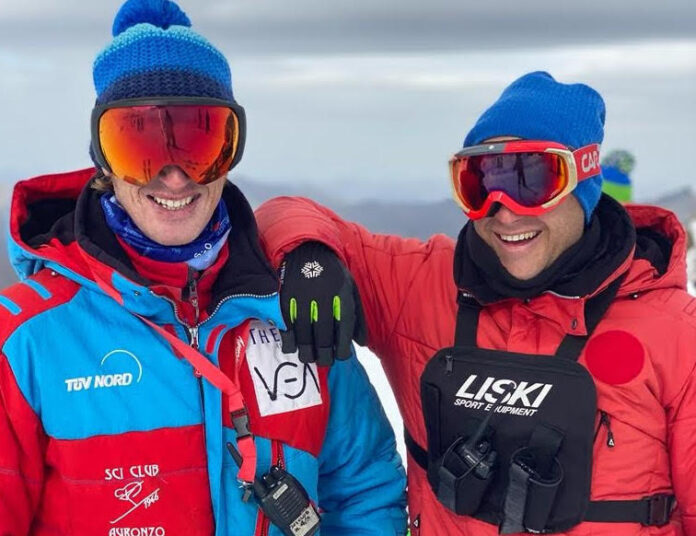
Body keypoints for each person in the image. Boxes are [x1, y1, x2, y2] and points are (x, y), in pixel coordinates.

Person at [0, 1, 407, 534]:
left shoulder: (292, 307)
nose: (175, 177)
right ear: (102, 157)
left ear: (231, 151)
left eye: (201, 140)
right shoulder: (27, 339)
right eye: (140, 143)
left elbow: (364, 489)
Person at [256, 71, 696, 535]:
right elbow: (281, 212)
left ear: (582, 182)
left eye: (533, 180)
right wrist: (308, 256)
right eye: (480, 184)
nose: (504, 211)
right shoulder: (421, 286)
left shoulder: (674, 334)